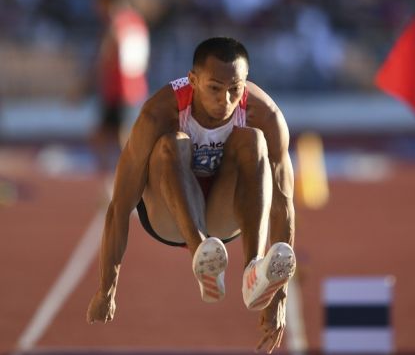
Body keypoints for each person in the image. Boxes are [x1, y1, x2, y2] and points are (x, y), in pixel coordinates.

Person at [86, 37, 297, 354]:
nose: (225, 100)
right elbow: (120, 205)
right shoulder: (158, 114)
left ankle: (253, 271)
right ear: (193, 80)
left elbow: (283, 203)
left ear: (245, 83)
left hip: (224, 215)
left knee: (254, 142)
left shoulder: (264, 115)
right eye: (214, 88)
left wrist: (278, 296)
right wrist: (107, 288)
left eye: (234, 89)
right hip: (168, 217)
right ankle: (202, 256)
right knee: (172, 143)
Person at [93, 0, 150, 172]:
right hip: (135, 87)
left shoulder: (116, 22)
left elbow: (106, 55)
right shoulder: (137, 20)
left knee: (122, 138)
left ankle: (130, 181)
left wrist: (86, 82)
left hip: (119, 89)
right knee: (105, 135)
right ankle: (113, 180)